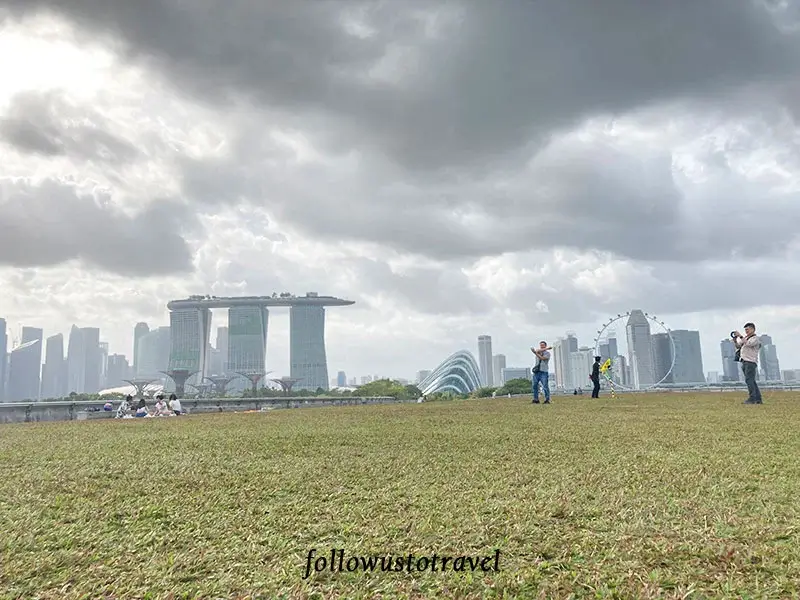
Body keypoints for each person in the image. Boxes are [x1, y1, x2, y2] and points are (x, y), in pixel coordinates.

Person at [733, 323, 763, 404]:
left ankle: (752, 398)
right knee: (751, 380)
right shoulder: (746, 338)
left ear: (753, 329)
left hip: (751, 362)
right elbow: (738, 346)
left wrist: (740, 336)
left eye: (747, 329)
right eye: (745, 330)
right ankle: (758, 399)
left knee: (749, 380)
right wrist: (735, 340)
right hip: (744, 361)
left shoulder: (755, 338)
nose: (746, 331)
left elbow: (749, 344)